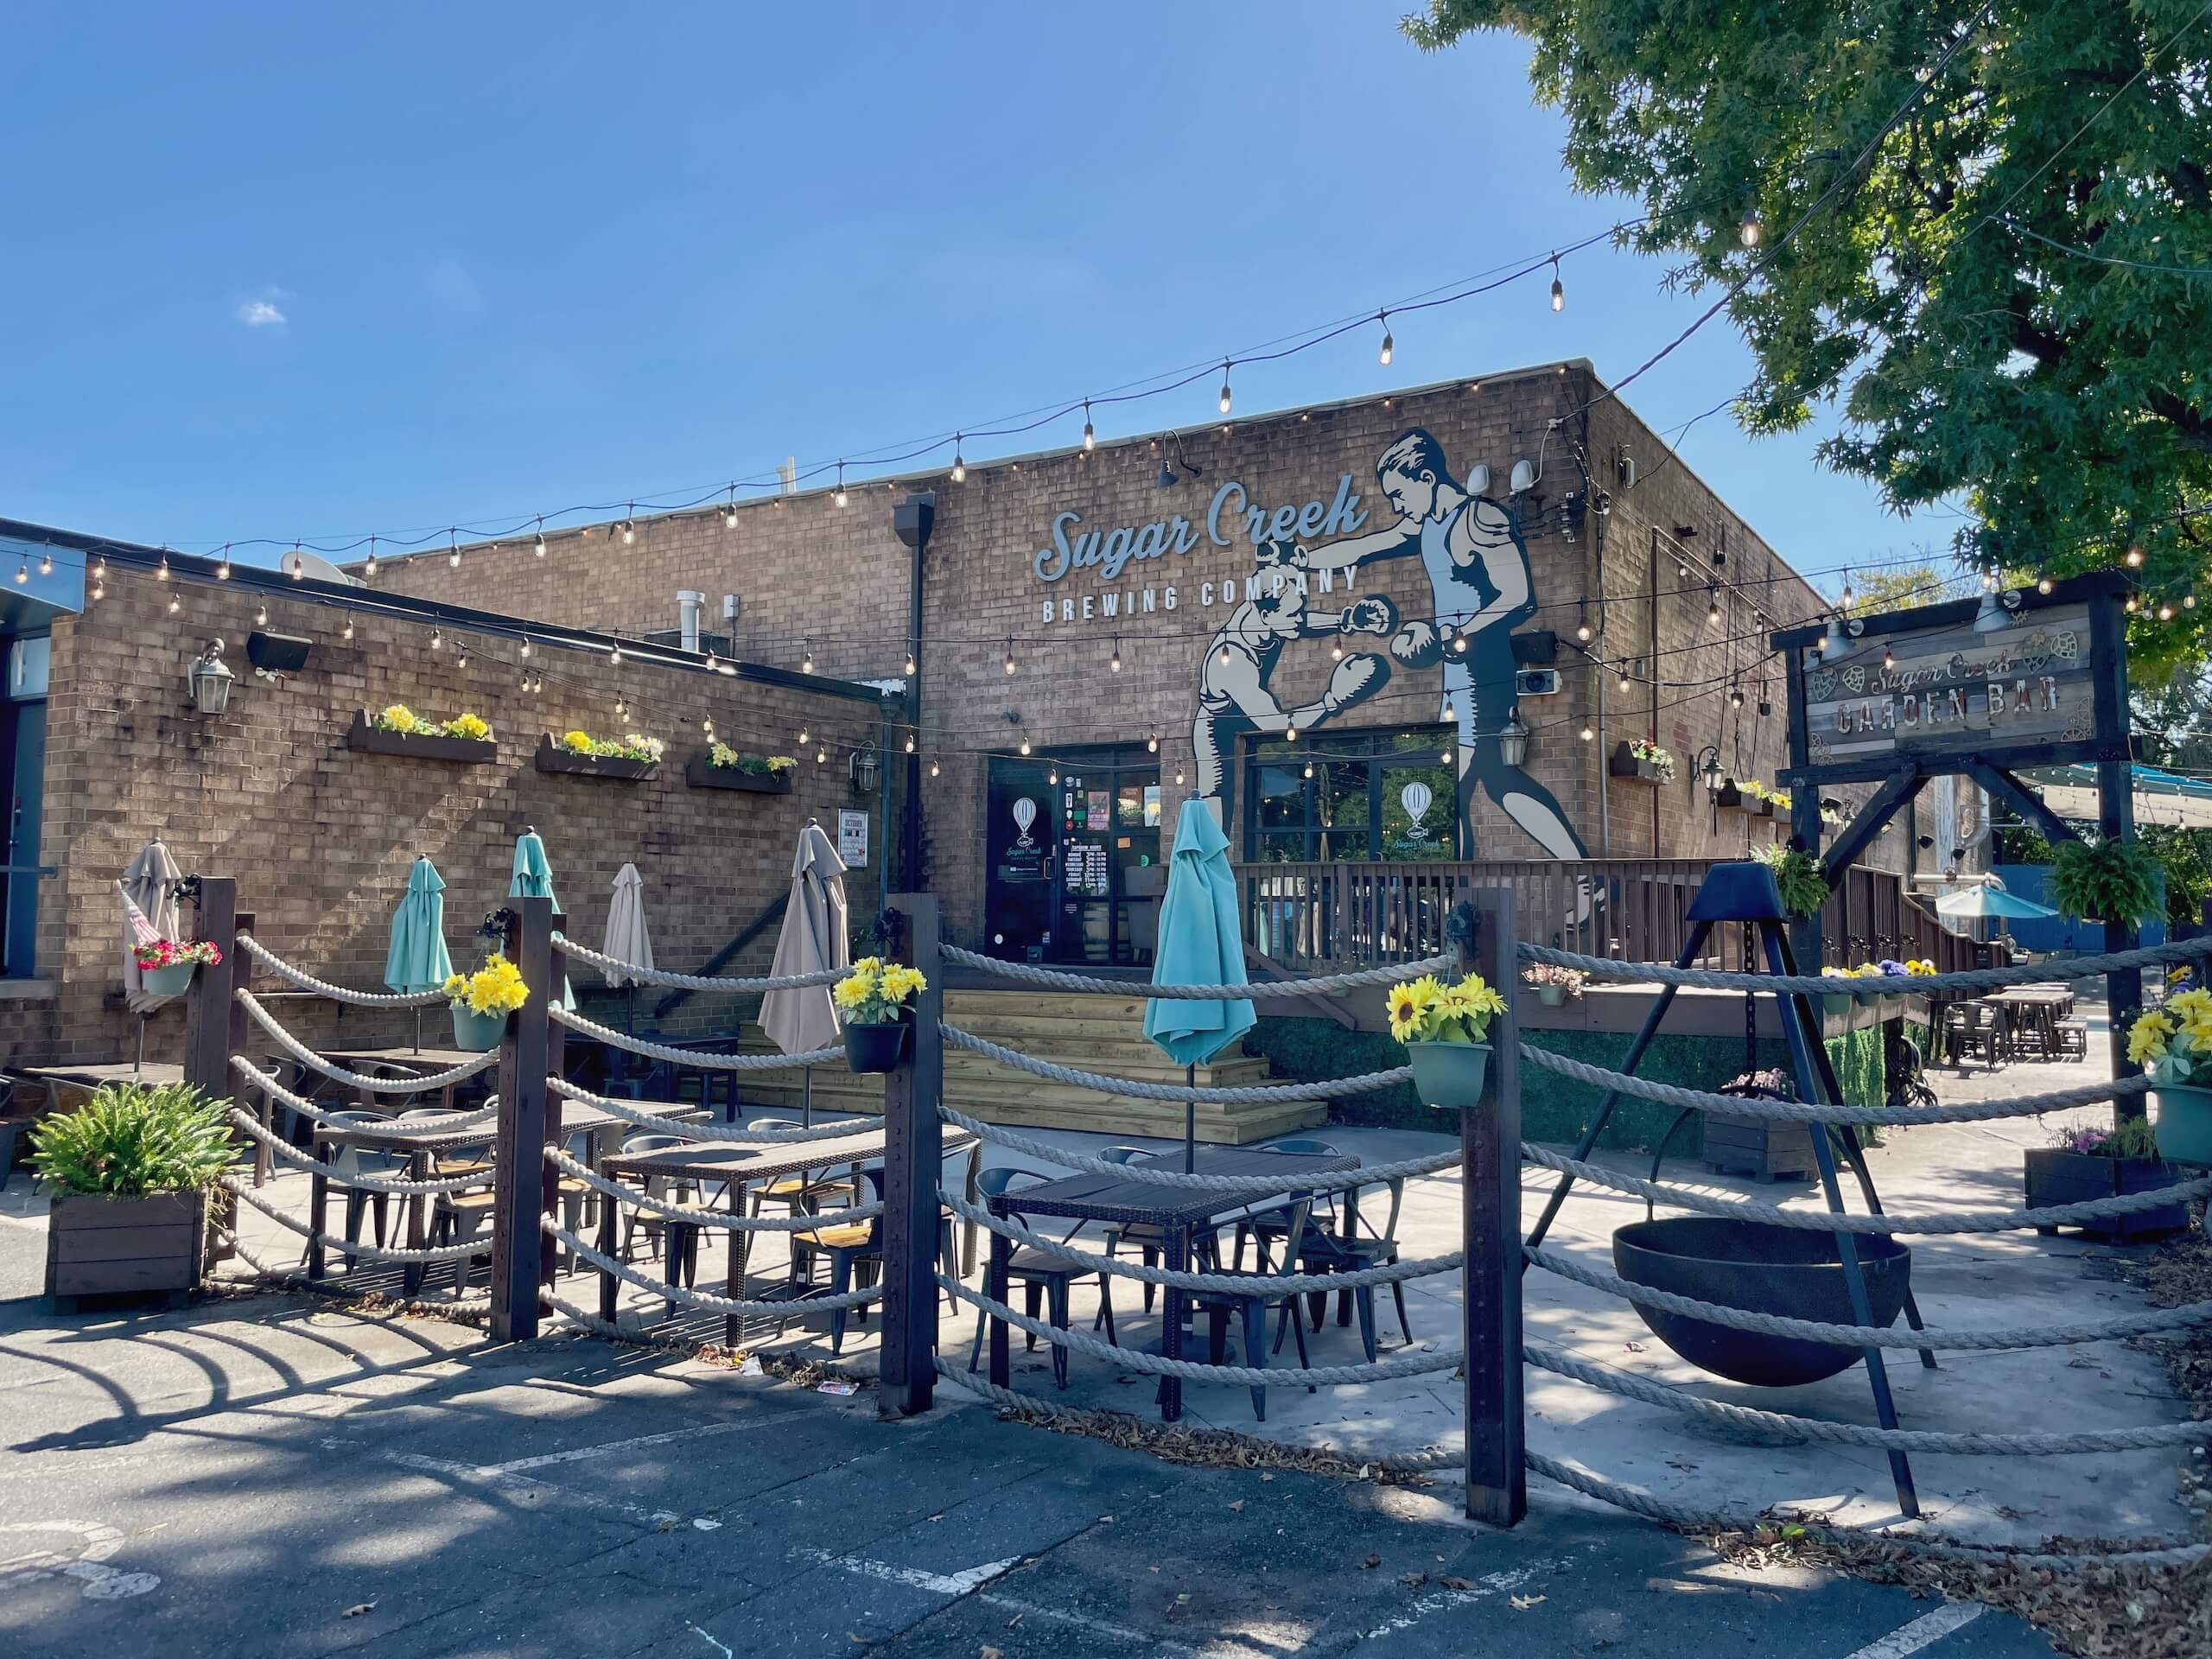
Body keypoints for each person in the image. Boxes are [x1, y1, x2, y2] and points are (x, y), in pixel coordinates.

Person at [1300, 427, 1589, 863]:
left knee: (1450, 783)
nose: (1396, 506)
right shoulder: (1427, 525)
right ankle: (1580, 877)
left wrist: (1452, 634)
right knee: (1496, 783)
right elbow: (1369, 545)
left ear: (1428, 480)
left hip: (1484, 673)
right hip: (1455, 677)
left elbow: (1519, 596)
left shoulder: (1480, 520)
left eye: (1399, 494)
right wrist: (1305, 560)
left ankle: (1454, 895)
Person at [1191, 542, 1395, 798]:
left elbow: (1299, 623)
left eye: (1300, 608)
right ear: (1265, 614)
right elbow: (1278, 724)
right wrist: (1333, 700)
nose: (1300, 617)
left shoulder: (1267, 615)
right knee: (1214, 812)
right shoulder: (1232, 662)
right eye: (1294, 613)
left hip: (1253, 705)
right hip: (1216, 729)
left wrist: (1348, 621)